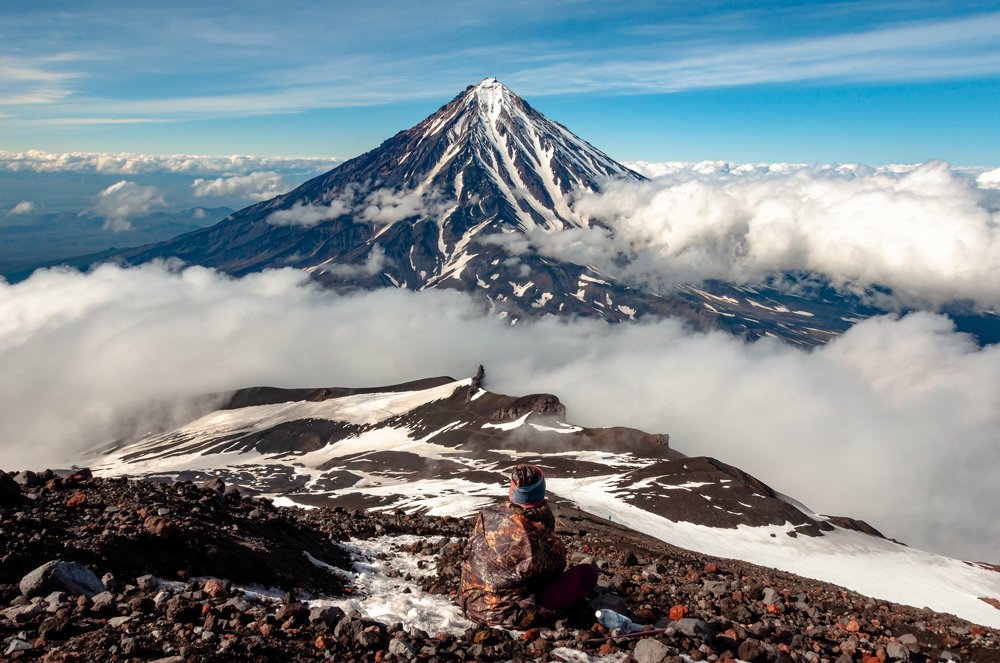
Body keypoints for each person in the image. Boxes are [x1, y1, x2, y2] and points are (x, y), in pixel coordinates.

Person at [458, 464, 599, 628]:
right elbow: (556, 569)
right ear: (541, 492)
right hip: (505, 615)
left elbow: (469, 551)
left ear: (512, 491)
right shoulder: (539, 534)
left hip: (470, 601)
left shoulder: (487, 514)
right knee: (588, 572)